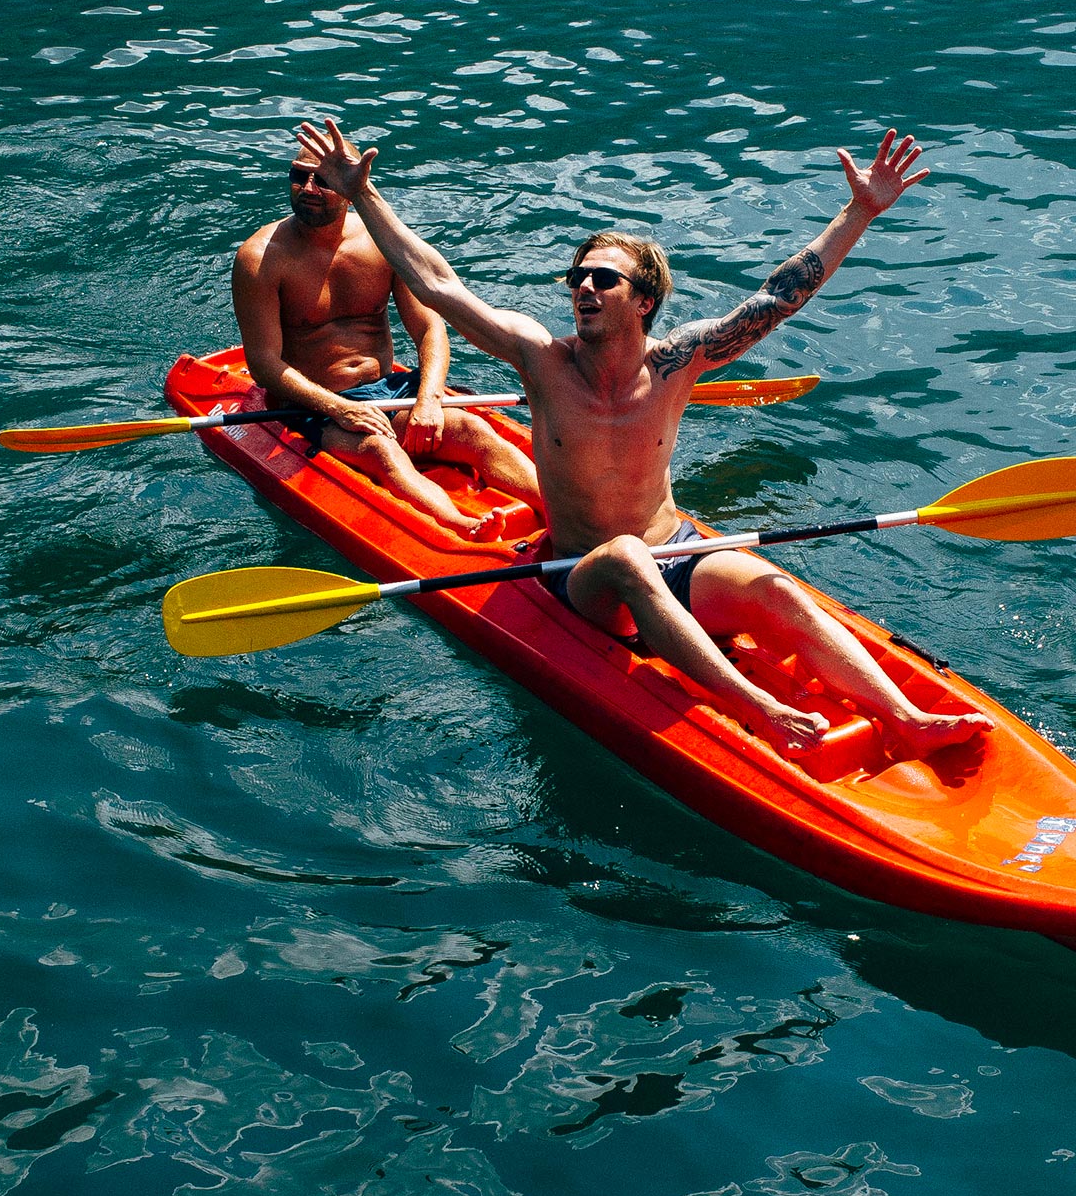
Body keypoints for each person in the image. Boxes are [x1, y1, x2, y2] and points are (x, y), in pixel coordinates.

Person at [292, 118, 994, 758]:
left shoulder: (679, 360)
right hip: (581, 576)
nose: (583, 289)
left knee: (776, 589)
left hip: (678, 550)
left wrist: (861, 210)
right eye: (577, 278)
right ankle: (756, 706)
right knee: (627, 554)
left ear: (644, 298)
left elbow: (779, 295)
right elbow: (439, 285)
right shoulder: (543, 359)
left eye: (603, 278)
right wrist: (367, 194)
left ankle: (902, 715)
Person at [231, 146, 541, 539]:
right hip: (316, 405)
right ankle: (461, 527)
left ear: (350, 186)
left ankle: (559, 507)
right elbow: (262, 362)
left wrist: (428, 397)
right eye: (298, 176)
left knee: (471, 430)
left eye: (323, 179)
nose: (307, 188)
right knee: (381, 450)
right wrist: (339, 408)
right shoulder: (261, 258)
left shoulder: (380, 242)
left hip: (392, 392)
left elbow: (430, 329)